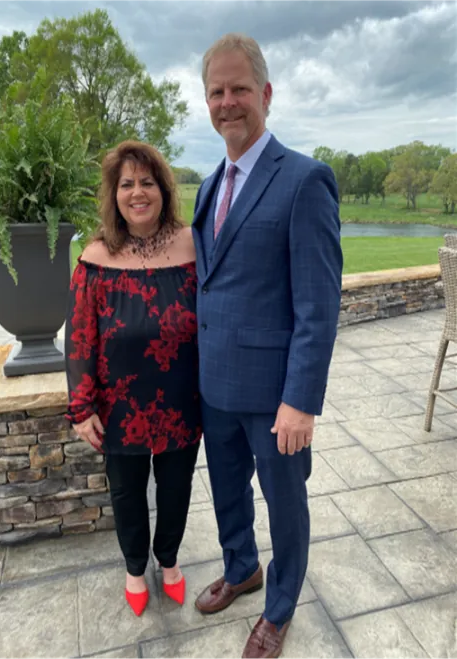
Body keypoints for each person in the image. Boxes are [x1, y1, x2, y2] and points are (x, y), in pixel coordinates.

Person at [192, 34, 342, 658]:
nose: (228, 102)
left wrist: (301, 401)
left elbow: (318, 305)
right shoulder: (208, 186)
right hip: (215, 387)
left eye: (239, 89)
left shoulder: (304, 180)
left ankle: (279, 606)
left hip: (276, 396)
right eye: (216, 92)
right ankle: (242, 568)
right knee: (227, 493)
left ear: (266, 94)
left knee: (285, 505)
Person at [64, 140, 201, 617]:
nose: (137, 192)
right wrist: (81, 408)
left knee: (177, 488)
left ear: (163, 189)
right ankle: (135, 568)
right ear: (114, 194)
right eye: (127, 184)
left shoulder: (192, 245)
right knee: (126, 493)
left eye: (146, 182)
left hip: (182, 400)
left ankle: (169, 561)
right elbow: (79, 337)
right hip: (119, 406)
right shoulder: (96, 256)